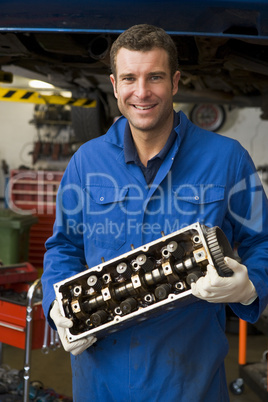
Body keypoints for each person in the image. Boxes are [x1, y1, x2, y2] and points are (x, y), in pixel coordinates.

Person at [42, 24, 268, 401]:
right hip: (101, 381)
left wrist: (251, 286)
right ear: (115, 86)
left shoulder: (227, 159)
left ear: (176, 82)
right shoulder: (87, 162)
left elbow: (262, 241)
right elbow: (63, 246)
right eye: (129, 78)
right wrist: (56, 305)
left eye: (155, 77)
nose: (141, 92)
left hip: (189, 381)